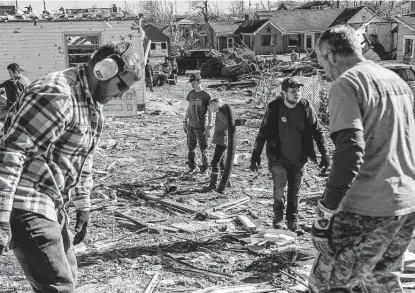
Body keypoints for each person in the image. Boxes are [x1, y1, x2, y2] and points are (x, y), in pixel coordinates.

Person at [0, 41, 141, 293]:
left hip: (51, 201)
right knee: (59, 286)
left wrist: (83, 204)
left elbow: (82, 156)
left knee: (69, 275)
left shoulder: (90, 103)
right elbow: (11, 153)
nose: (121, 93)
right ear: (103, 70)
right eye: (121, 85)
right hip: (24, 202)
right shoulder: (57, 95)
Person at [309, 24, 415, 293]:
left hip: (366, 208)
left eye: (322, 61)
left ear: (332, 55)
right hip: (404, 205)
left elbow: (350, 149)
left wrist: (326, 209)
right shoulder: (397, 82)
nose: (324, 69)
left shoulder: (346, 84)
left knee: (326, 284)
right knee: (380, 282)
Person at [250, 77, 329, 232]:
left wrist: (325, 154)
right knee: (279, 190)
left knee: (295, 191)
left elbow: (318, 131)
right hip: (278, 157)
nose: (297, 94)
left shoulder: (306, 107)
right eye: (293, 91)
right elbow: (263, 131)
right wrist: (256, 154)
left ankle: (292, 222)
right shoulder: (274, 108)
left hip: (299, 159)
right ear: (284, 92)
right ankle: (278, 221)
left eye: (299, 90)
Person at [183, 73, 212, 174]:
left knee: (203, 147)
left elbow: (210, 111)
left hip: (201, 126)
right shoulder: (191, 94)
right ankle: (192, 166)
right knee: (191, 147)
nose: (192, 84)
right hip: (191, 124)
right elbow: (189, 108)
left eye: (194, 82)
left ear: (200, 82)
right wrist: (184, 120)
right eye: (191, 83)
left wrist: (209, 126)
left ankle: (205, 167)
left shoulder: (206, 95)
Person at [205, 97, 235, 193]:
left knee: (215, 162)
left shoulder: (223, 113)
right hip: (219, 140)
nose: (209, 109)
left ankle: (213, 184)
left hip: (223, 141)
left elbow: (230, 124)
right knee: (221, 162)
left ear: (214, 104)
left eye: (210, 106)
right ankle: (227, 181)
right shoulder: (218, 113)